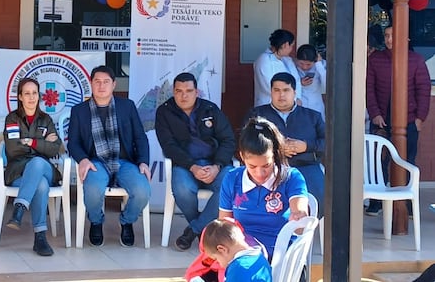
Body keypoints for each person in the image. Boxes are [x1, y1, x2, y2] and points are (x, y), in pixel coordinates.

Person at [68, 65, 151, 247]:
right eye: (97, 81)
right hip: (96, 162)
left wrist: (144, 162)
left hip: (124, 162)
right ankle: (96, 222)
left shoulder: (126, 107)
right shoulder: (79, 111)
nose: (101, 86)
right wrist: (83, 159)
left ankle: (127, 221)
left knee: (143, 190)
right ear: (91, 84)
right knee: (92, 189)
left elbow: (140, 136)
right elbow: (73, 142)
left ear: (114, 84)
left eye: (106, 82)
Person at [155, 72, 235, 251]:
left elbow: (228, 140)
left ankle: (194, 230)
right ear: (173, 92)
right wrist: (192, 167)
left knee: (229, 186)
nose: (184, 96)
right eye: (179, 91)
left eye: (189, 91)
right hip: (185, 165)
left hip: (215, 164)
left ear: (196, 92)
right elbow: (168, 146)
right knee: (182, 189)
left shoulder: (210, 109)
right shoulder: (165, 112)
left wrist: (216, 166)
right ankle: (203, 229)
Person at [219, 117, 309, 257]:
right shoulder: (232, 178)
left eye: (266, 165)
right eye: (252, 166)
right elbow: (224, 226)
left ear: (275, 155)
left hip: (279, 253)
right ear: (242, 156)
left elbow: (299, 220)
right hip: (242, 252)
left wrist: (299, 216)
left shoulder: (291, 177)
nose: (259, 173)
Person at [365, 26, 430, 216]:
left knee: (406, 160)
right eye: (386, 36)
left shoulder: (416, 60)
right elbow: (369, 89)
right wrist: (375, 113)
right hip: (381, 120)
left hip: (409, 120)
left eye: (393, 35)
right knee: (378, 161)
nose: (389, 39)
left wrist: (420, 118)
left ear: (406, 38)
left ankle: (406, 205)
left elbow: (424, 90)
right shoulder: (375, 59)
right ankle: (376, 202)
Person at [246, 72, 325, 216]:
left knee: (321, 200)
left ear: (294, 92)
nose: (281, 95)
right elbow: (246, 143)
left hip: (306, 166)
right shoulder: (257, 115)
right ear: (271, 92)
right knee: (265, 206)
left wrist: (306, 146)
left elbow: (328, 144)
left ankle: (303, 231)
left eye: (286, 90)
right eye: (276, 90)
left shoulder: (312, 116)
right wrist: (277, 149)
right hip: (270, 167)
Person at [3, 77, 63, 256]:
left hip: (45, 168)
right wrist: (41, 144)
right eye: (26, 93)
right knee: (41, 184)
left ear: (39, 96)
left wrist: (30, 142)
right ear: (20, 97)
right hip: (18, 173)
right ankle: (40, 239)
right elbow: (13, 149)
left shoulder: (46, 119)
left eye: (34, 93)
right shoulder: (12, 118)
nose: (31, 97)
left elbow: (54, 148)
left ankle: (19, 208)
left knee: (38, 163)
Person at [201, 219, 272, 282]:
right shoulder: (259, 255)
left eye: (217, 259)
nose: (219, 264)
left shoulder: (237, 269)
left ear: (222, 249)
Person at [253, 29, 302, 107]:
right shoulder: (264, 60)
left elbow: (296, 80)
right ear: (285, 45)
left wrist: (297, 98)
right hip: (268, 106)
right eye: (291, 46)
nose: (292, 49)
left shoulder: (287, 60)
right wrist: (293, 99)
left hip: (289, 105)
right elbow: (269, 86)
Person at [295, 44, 326, 120]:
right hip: (299, 106)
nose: (305, 67)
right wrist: (300, 83)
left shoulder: (321, 65)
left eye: (308, 64)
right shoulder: (292, 66)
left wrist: (319, 65)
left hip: (316, 106)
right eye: (301, 63)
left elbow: (327, 85)